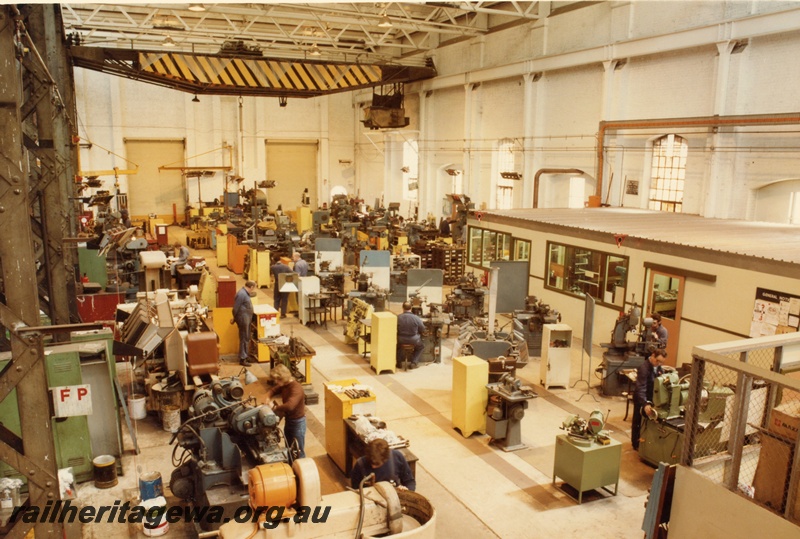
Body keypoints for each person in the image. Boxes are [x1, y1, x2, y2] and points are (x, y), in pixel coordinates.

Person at [266, 364, 306, 459]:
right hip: (289, 420)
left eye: (278, 380)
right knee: (289, 447)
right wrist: (268, 396)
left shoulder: (296, 388)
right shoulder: (285, 384)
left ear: (283, 378)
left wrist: (274, 408)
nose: (276, 382)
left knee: (298, 451)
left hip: (297, 423)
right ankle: (291, 465)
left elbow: (290, 406)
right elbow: (274, 389)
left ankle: (300, 469)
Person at [632, 348, 667, 451]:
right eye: (657, 360)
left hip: (652, 398)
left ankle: (646, 442)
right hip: (641, 398)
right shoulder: (644, 368)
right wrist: (645, 403)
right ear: (652, 356)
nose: (659, 363)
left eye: (661, 362)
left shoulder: (659, 367)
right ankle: (636, 444)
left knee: (648, 422)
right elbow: (641, 387)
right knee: (638, 421)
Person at [350, 439, 416, 491]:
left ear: (386, 459)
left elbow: (410, 482)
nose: (373, 466)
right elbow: (355, 488)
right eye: (371, 463)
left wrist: (406, 490)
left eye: (377, 464)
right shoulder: (360, 464)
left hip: (393, 498)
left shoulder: (397, 457)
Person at [232, 280, 256, 366]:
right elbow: (235, 308)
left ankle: (245, 356)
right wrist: (234, 318)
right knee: (243, 338)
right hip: (243, 319)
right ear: (251, 287)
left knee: (246, 337)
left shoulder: (245, 293)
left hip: (246, 319)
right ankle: (242, 359)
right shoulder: (242, 294)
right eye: (253, 288)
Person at [397, 301, 426, 369]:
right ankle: (414, 362)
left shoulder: (398, 317)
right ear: (411, 308)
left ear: (403, 308)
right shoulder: (416, 318)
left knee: (398, 347)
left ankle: (399, 362)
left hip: (401, 339)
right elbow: (422, 329)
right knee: (421, 347)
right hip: (414, 340)